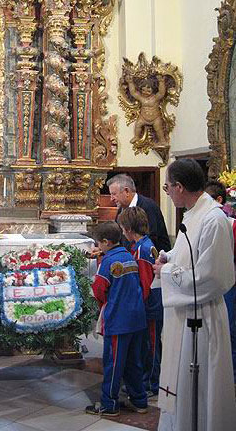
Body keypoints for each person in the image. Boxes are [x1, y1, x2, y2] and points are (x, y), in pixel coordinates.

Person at [154, 159, 236, 431]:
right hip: (184, 313)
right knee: (180, 385)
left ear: (179, 187)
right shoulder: (192, 215)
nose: (167, 191)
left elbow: (212, 277)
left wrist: (166, 273)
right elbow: (185, 256)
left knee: (198, 387)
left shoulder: (214, 219)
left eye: (167, 186)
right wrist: (168, 257)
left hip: (203, 317)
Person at [86, 221, 147, 417]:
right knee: (133, 362)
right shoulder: (129, 256)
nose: (98, 247)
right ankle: (139, 401)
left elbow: (99, 290)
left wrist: (105, 304)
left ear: (106, 242)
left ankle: (109, 404)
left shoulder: (108, 261)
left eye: (98, 243)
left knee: (113, 363)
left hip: (118, 320)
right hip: (136, 318)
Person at [118, 207, 163, 398]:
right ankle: (143, 380)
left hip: (149, 304)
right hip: (145, 304)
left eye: (122, 228)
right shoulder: (140, 245)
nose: (122, 232)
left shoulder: (142, 250)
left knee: (151, 346)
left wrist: (137, 305)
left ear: (128, 228)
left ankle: (151, 383)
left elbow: (145, 282)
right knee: (144, 345)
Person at [205, 179, 236, 385]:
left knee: (230, 330)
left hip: (230, 284)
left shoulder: (228, 223)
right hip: (215, 283)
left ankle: (230, 376)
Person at [107, 173, 171, 253]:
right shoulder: (121, 209)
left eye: (114, 194)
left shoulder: (148, 206)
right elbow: (118, 236)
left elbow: (151, 237)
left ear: (126, 191)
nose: (111, 199)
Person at [125, 74, 167, 146]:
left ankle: (162, 141)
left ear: (153, 89)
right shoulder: (141, 98)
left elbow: (161, 93)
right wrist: (130, 83)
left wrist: (161, 82)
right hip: (143, 117)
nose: (145, 92)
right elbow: (133, 92)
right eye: (143, 90)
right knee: (138, 124)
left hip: (155, 118)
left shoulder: (155, 98)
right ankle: (136, 137)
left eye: (148, 90)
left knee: (158, 129)